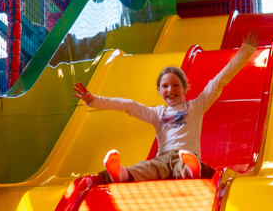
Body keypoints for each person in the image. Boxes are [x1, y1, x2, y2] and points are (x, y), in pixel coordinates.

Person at [72, 31, 259, 182]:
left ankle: (191, 171)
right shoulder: (156, 113)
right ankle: (121, 173)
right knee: (146, 168)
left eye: (176, 85)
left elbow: (218, 82)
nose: (171, 90)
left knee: (184, 165)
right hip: (161, 159)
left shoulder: (197, 106)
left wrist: (244, 52)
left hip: (185, 156)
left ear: (185, 88)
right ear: (159, 91)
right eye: (165, 86)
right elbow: (128, 106)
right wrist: (94, 100)